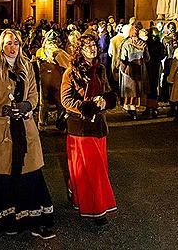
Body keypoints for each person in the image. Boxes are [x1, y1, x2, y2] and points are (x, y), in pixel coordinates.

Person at [0, 28, 55, 239]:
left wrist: (26, 105)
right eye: (8, 43)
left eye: (16, 43)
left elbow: (34, 94)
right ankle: (5, 221)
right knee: (3, 177)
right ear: (1, 46)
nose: (12, 47)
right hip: (3, 130)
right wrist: (3, 108)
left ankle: (32, 221)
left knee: (29, 174)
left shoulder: (27, 66)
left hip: (24, 128)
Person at [61, 35, 117, 225]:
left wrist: (105, 100)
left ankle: (75, 191)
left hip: (99, 126)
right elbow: (66, 100)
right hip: (81, 127)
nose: (92, 49)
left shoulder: (100, 69)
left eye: (93, 45)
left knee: (97, 168)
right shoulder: (71, 72)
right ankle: (96, 209)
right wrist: (87, 106)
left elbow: (108, 91)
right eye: (87, 46)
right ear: (80, 50)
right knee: (91, 171)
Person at [119, 24, 150, 119]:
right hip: (140, 68)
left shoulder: (126, 43)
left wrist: (123, 69)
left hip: (130, 69)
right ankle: (133, 108)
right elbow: (147, 58)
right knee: (136, 89)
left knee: (131, 89)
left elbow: (123, 58)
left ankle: (130, 108)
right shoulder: (143, 44)